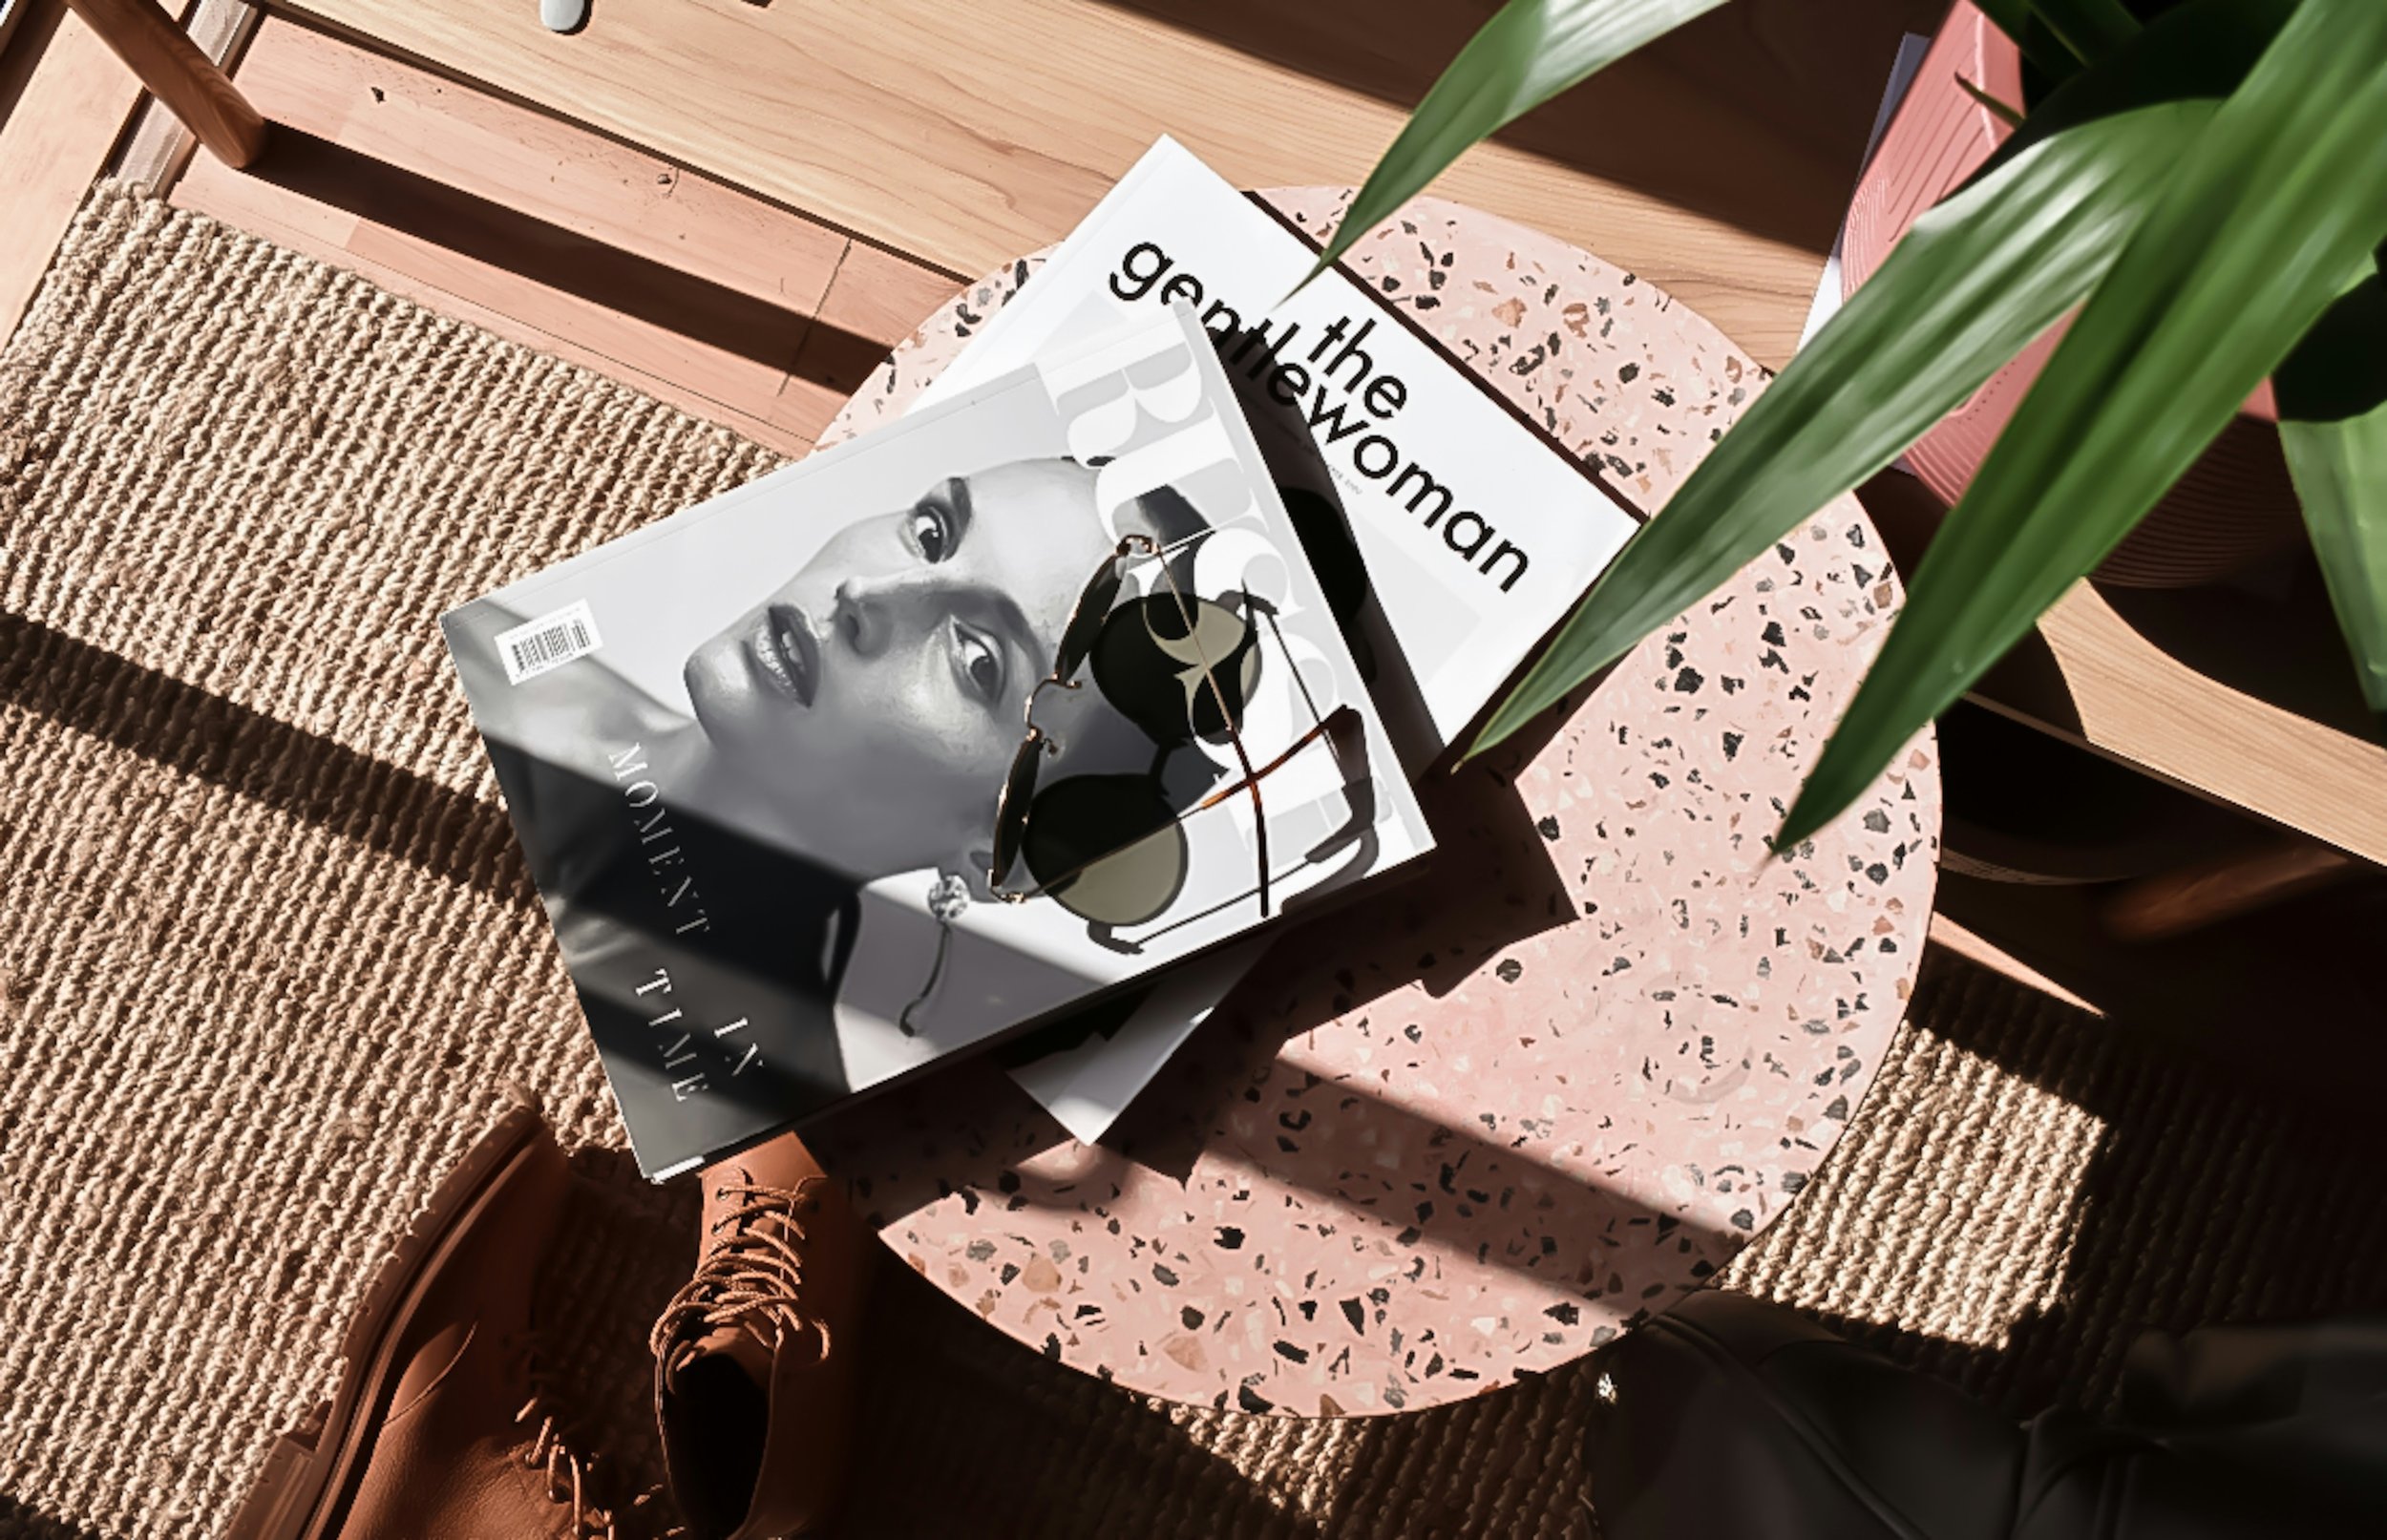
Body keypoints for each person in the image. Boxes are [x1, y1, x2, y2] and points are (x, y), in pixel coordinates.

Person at [451, 458, 1213, 1167]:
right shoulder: (468, 661)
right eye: (931, 533)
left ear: (998, 853)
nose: (867, 595)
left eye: (977, 659)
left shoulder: (731, 1129)